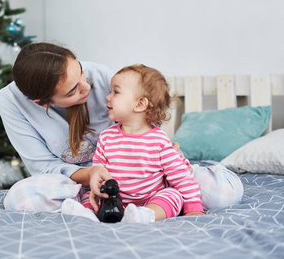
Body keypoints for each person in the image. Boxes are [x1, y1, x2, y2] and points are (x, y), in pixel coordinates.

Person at [0, 42, 243, 215]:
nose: (88, 86)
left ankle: (155, 206)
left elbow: (143, 122)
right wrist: (91, 176)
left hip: (145, 176)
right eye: (73, 90)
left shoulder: (101, 76)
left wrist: (165, 153)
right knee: (19, 199)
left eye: (81, 72)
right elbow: (44, 168)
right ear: (42, 102)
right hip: (83, 184)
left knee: (225, 193)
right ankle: (93, 208)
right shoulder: (11, 102)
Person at [63, 64, 204, 223]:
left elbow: (181, 176)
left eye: (115, 92)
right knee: (88, 194)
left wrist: (194, 207)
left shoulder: (159, 140)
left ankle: (144, 215)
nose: (107, 97)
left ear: (139, 104)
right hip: (114, 199)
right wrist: (100, 192)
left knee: (172, 195)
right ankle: (86, 214)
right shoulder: (106, 137)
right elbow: (98, 172)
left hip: (150, 198)